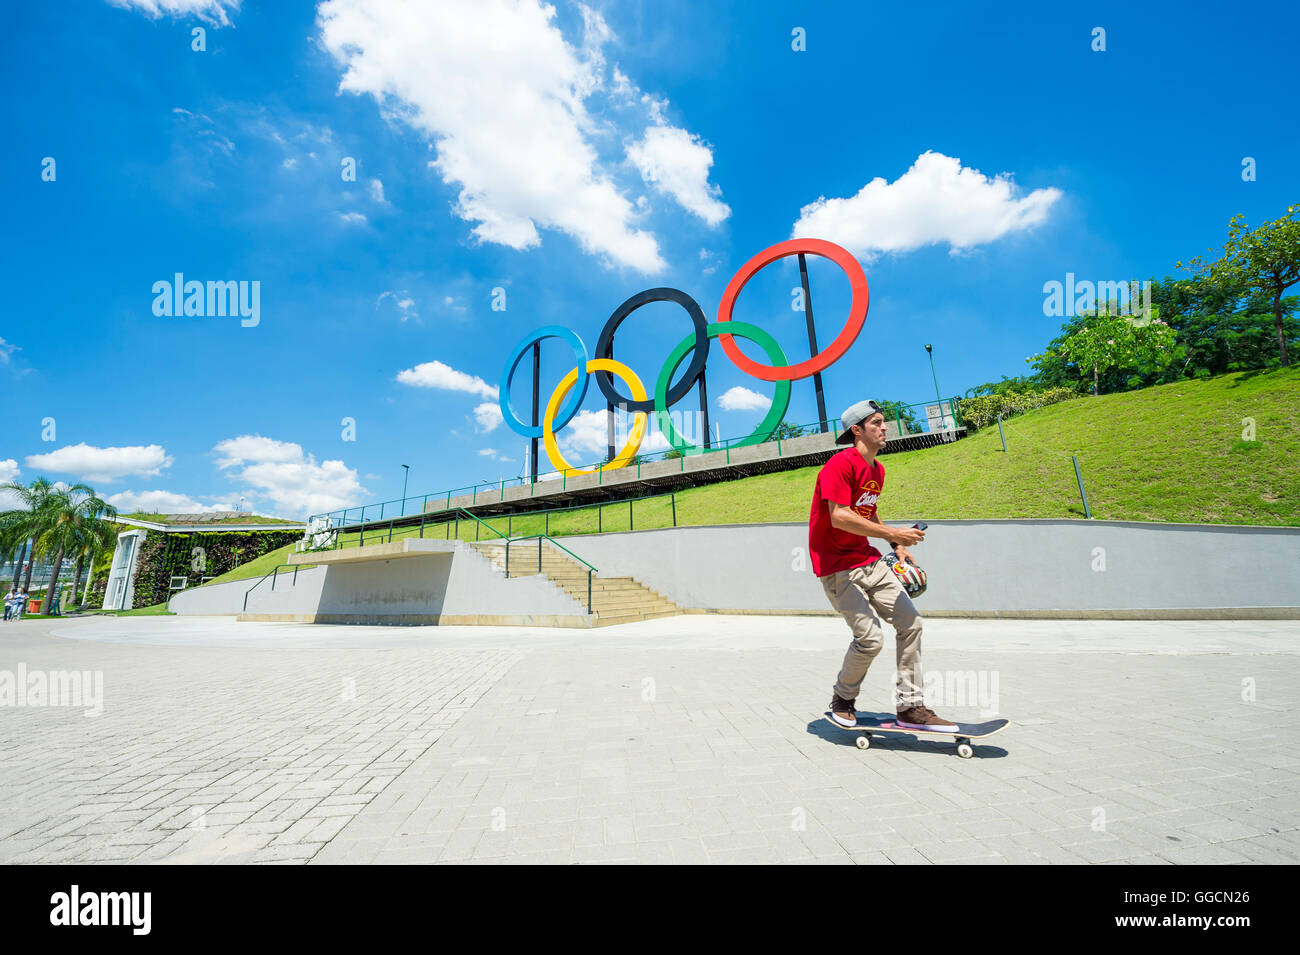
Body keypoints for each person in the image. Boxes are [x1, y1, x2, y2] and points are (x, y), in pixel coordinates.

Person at [809, 399, 957, 731]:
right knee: (871, 639)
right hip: (837, 566)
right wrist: (892, 532)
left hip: (868, 560)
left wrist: (896, 544)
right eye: (876, 422)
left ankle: (910, 707)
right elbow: (840, 516)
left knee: (911, 624)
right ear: (856, 430)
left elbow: (865, 508)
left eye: (884, 422)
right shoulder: (839, 465)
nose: (884, 427)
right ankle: (842, 699)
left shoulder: (877, 470)